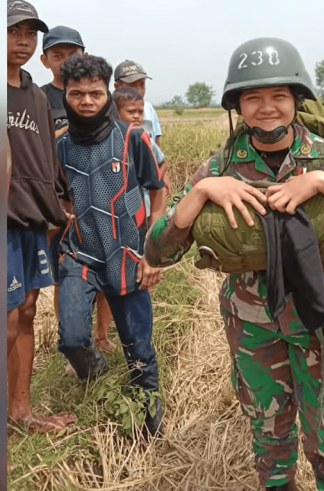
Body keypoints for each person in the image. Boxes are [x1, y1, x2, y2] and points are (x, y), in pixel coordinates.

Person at [145, 38, 324, 490]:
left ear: (297, 100)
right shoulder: (220, 166)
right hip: (254, 325)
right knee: (270, 445)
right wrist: (201, 193)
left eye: (279, 96)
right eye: (253, 97)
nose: (266, 108)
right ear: (237, 106)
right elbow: (157, 252)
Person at [56, 53, 166, 435]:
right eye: (76, 94)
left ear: (108, 94)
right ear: (66, 95)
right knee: (71, 339)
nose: (86, 101)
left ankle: (149, 430)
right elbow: (61, 196)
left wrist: (152, 253)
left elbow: (158, 190)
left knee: (139, 353)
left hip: (128, 255)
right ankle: (99, 380)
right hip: (80, 254)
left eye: (95, 93)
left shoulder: (133, 138)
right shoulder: (61, 147)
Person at [7, 0, 76, 433]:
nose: (23, 41)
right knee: (9, 315)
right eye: (15, 31)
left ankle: (21, 409)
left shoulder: (36, 98)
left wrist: (62, 206)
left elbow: (48, 161)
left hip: (34, 217)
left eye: (30, 34)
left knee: (29, 309)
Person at [39, 25, 116, 356]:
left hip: (98, 201)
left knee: (105, 275)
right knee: (63, 276)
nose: (64, 60)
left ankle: (102, 334)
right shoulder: (39, 98)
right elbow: (34, 149)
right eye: (57, 55)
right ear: (45, 60)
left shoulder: (99, 95)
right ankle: (72, 341)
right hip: (60, 204)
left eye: (71, 54)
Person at [113, 59, 172, 196]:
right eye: (132, 85)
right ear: (117, 86)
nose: (139, 90)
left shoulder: (149, 109)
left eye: (142, 84)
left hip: (148, 188)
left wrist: (163, 176)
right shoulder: (111, 112)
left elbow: (156, 145)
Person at [113, 86, 167, 218]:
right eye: (131, 112)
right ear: (115, 112)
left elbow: (163, 163)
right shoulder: (110, 142)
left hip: (145, 207)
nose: (137, 116)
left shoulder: (144, 139)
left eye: (140, 112)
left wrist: (154, 178)